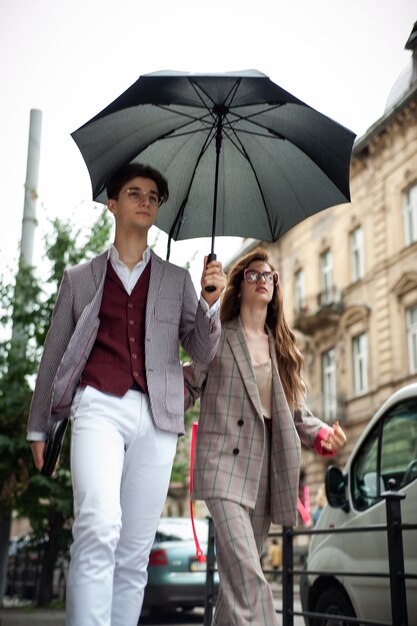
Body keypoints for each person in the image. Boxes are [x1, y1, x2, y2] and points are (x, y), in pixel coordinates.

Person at [26, 162, 227, 626]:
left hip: (157, 417)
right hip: (98, 404)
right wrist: (39, 425)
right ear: (112, 204)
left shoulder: (177, 280)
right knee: (98, 525)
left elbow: (199, 351)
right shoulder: (80, 278)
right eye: (135, 192)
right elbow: (53, 355)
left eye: (154, 196)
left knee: (135, 549)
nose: (145, 200)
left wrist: (210, 306)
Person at [184, 247, 346, 626]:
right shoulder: (219, 336)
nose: (261, 280)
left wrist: (322, 433)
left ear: (275, 287)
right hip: (222, 469)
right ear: (238, 286)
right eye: (252, 275)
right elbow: (189, 382)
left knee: (235, 586)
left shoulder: (282, 348)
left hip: (262, 476)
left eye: (268, 276)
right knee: (249, 576)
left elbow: (294, 413)